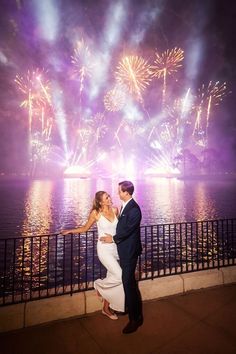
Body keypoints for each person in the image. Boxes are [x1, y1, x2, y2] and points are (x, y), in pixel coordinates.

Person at [61, 191, 125, 320]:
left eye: (109, 196)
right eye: (106, 197)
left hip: (115, 248)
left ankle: (106, 308)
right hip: (104, 250)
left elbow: (119, 230)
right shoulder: (96, 213)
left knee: (114, 277)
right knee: (120, 276)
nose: (110, 198)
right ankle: (99, 286)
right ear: (101, 201)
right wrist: (70, 231)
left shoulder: (115, 209)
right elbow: (85, 228)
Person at [100, 181, 143, 334]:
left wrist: (113, 239)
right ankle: (132, 313)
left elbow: (128, 231)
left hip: (130, 252)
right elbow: (121, 226)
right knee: (129, 283)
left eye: (119, 191)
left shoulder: (134, 209)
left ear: (126, 192)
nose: (117, 193)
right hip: (124, 251)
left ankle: (134, 320)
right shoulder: (125, 206)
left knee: (128, 284)